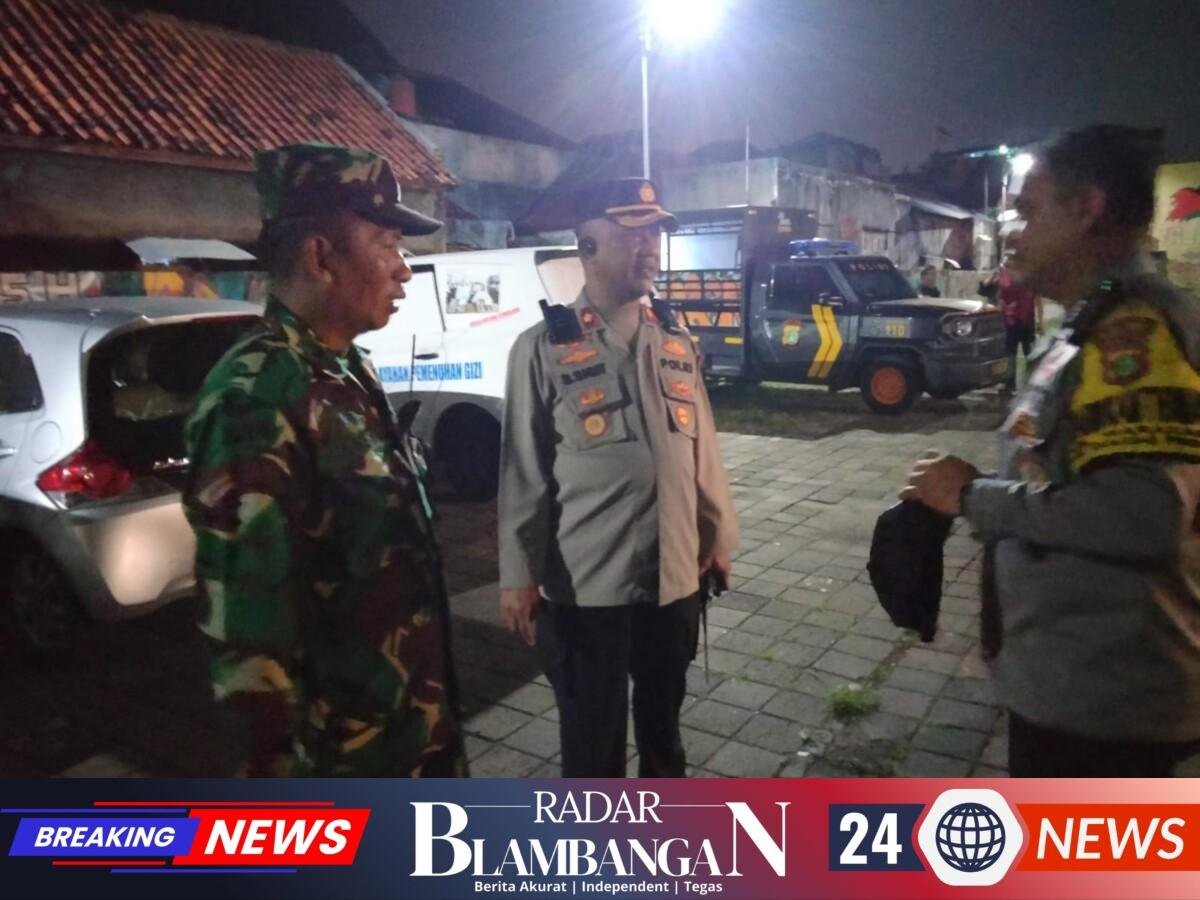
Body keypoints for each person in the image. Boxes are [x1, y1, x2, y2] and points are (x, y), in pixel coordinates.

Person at [900, 125, 1200, 777]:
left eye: (1028, 210)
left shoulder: (1132, 333)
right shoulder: (1091, 323)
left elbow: (1144, 512)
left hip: (1104, 712)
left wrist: (974, 497)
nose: (1012, 231)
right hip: (1076, 692)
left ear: (1087, 207)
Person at [183, 143, 467, 777]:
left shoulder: (346, 365)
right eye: (387, 245)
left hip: (410, 736)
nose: (404, 270)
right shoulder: (254, 399)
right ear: (320, 257)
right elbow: (249, 648)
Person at [498, 178, 738, 777]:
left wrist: (717, 537)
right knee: (591, 749)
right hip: (587, 590)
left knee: (665, 738)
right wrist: (519, 575)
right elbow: (523, 471)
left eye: (655, 232)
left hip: (674, 580)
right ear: (587, 246)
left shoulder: (675, 339)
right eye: (633, 233)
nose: (651, 246)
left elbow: (702, 450)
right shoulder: (541, 349)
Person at [982, 256, 1044, 392]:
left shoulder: (1028, 279)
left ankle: (1030, 383)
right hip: (1012, 322)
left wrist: (1041, 321)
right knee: (1011, 353)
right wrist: (994, 274)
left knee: (1028, 353)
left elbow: (1037, 300)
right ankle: (1011, 384)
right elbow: (985, 290)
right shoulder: (1005, 281)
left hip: (1025, 322)